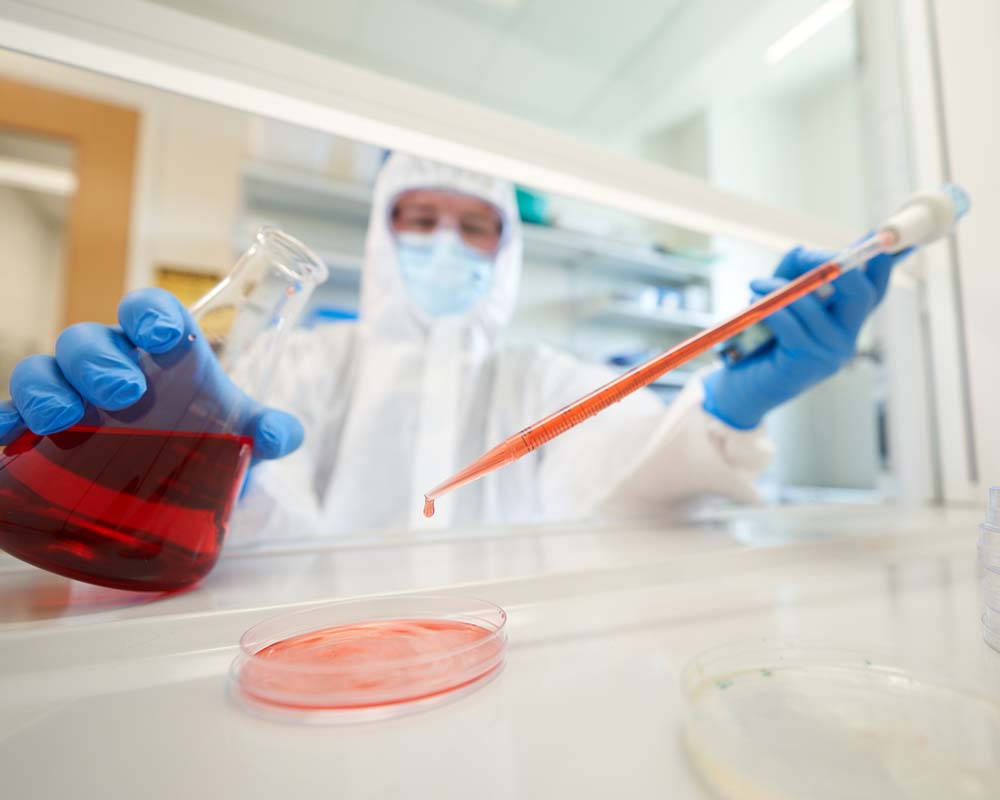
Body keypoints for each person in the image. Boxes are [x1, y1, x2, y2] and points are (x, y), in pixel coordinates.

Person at [0, 154, 908, 541]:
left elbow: (619, 462)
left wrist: (729, 405)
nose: (444, 242)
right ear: (380, 234)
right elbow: (238, 517)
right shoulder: (304, 363)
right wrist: (124, 450)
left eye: (475, 225)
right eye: (421, 217)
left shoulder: (541, 376)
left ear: (507, 250)